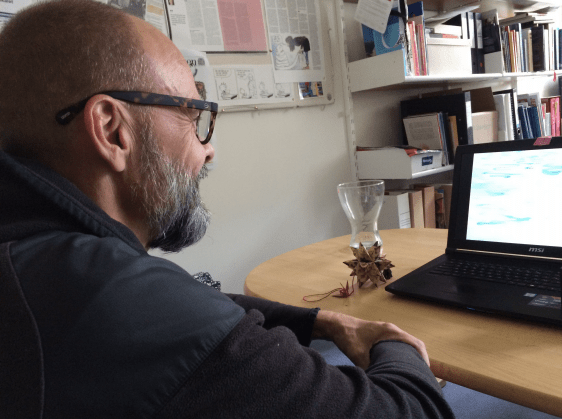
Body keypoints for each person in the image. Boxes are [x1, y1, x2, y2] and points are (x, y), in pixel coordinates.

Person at [0, 1, 456, 418]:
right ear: (113, 130)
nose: (209, 149)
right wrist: (396, 347)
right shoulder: (111, 299)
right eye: (192, 117)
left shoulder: (41, 257)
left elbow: (195, 306)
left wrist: (324, 322)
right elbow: (414, 412)